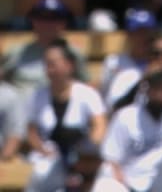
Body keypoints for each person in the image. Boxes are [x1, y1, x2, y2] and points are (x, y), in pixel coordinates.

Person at [23, 40, 106, 192]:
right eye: (47, 64)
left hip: (83, 156)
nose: (50, 69)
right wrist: (43, 150)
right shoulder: (37, 95)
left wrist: (88, 149)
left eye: (53, 64)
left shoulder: (87, 94)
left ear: (69, 65)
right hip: (49, 156)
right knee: (41, 173)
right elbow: (32, 133)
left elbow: (99, 126)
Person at [101, 71, 162, 192]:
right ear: (147, 91)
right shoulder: (126, 116)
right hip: (130, 184)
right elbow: (111, 159)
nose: (161, 95)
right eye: (157, 90)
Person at [3, 0, 91, 106]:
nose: (48, 24)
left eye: (54, 18)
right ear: (33, 21)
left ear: (64, 23)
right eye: (42, 18)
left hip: (58, 114)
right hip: (20, 112)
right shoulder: (17, 52)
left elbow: (86, 87)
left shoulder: (72, 53)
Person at [97, 9, 158, 109]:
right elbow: (104, 92)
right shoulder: (113, 61)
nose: (142, 37)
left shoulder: (160, 61)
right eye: (138, 32)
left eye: (146, 32)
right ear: (129, 35)